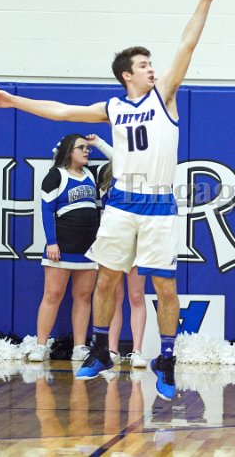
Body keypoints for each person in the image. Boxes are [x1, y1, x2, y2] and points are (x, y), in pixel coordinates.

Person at [0, 0, 227, 400]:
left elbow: (187, 44)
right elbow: (61, 111)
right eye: (144, 65)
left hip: (159, 204)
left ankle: (167, 359)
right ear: (127, 75)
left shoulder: (165, 95)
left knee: (165, 286)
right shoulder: (113, 107)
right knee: (106, 279)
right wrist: (13, 100)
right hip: (121, 203)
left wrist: (205, 0)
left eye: (151, 63)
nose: (152, 69)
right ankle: (99, 350)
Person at [28, 134, 102, 363]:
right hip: (62, 246)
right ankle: (41, 346)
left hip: (88, 248)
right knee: (52, 295)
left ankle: (79, 347)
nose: (87, 151)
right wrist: (51, 241)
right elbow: (46, 209)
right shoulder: (56, 175)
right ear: (69, 151)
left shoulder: (91, 175)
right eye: (82, 147)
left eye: (88, 148)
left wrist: (98, 142)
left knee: (83, 297)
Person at [95, 152, 148, 369]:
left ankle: (137, 351)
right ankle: (112, 350)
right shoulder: (107, 174)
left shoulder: (146, 176)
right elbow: (105, 211)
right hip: (114, 242)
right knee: (114, 296)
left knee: (136, 296)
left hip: (137, 241)